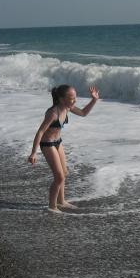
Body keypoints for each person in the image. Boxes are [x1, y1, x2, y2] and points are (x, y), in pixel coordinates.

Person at [28, 84, 99, 213]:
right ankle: (52, 206)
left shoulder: (68, 108)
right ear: (62, 99)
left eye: (75, 97)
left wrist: (94, 100)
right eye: (72, 98)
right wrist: (34, 153)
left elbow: (83, 113)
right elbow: (40, 132)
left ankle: (61, 201)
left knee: (64, 173)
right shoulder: (52, 113)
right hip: (48, 144)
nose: (75, 100)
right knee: (59, 177)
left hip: (58, 142)